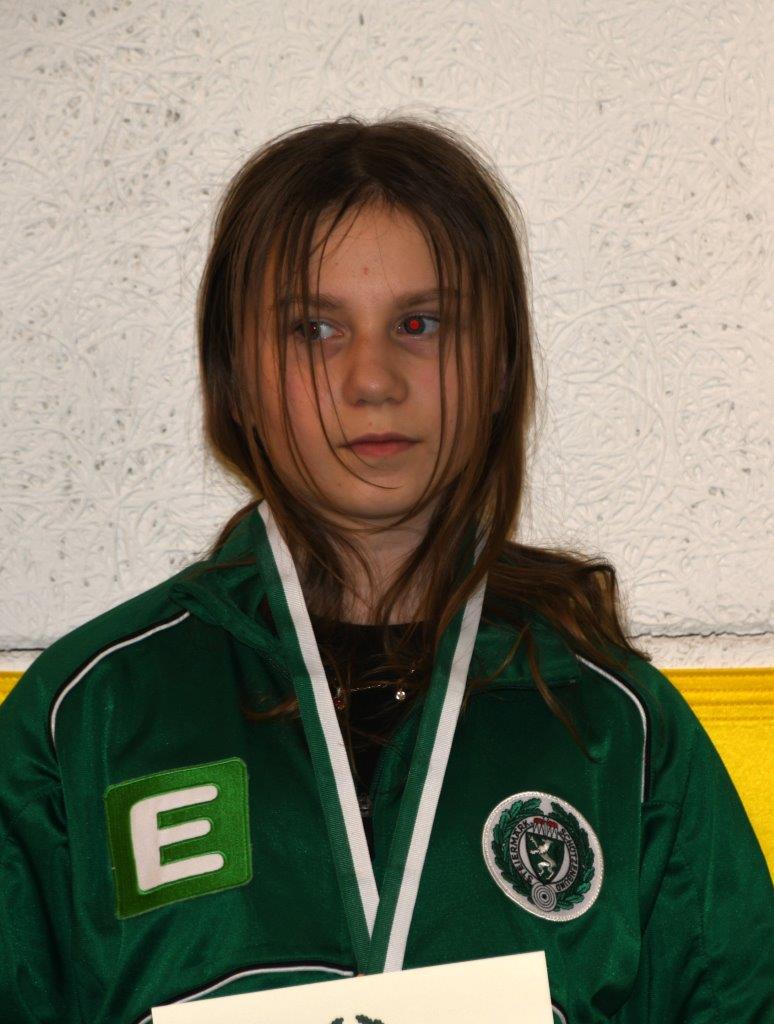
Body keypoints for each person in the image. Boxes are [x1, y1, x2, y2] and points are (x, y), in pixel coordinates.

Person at [0, 114, 771, 1024]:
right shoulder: (92, 716)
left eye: (420, 323)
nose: (373, 379)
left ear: (498, 367)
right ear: (236, 378)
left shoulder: (615, 729)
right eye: (314, 329)